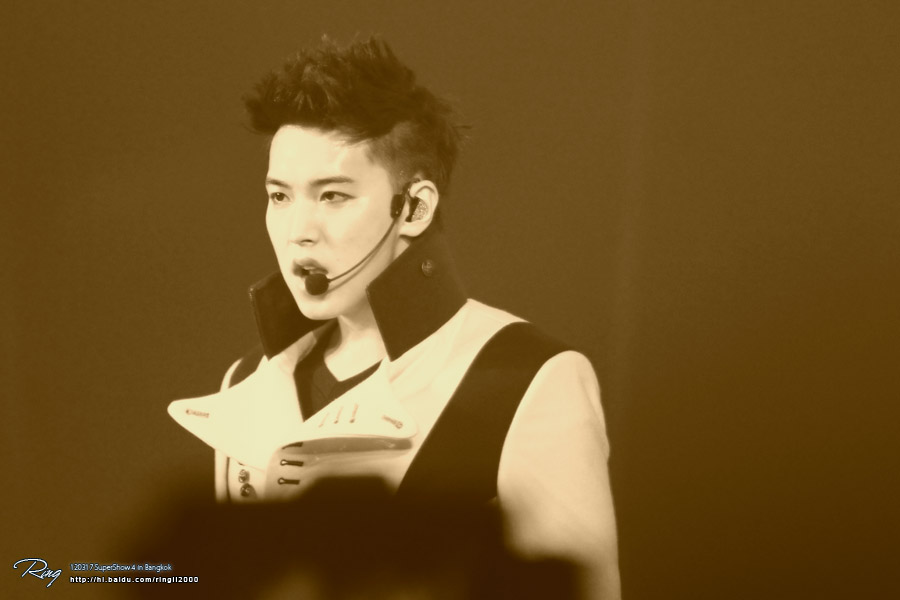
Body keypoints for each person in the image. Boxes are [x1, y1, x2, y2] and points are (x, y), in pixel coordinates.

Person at [168, 36, 619, 599]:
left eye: (332, 196)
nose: (298, 231)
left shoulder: (526, 378)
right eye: (280, 196)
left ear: (415, 207)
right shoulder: (247, 379)